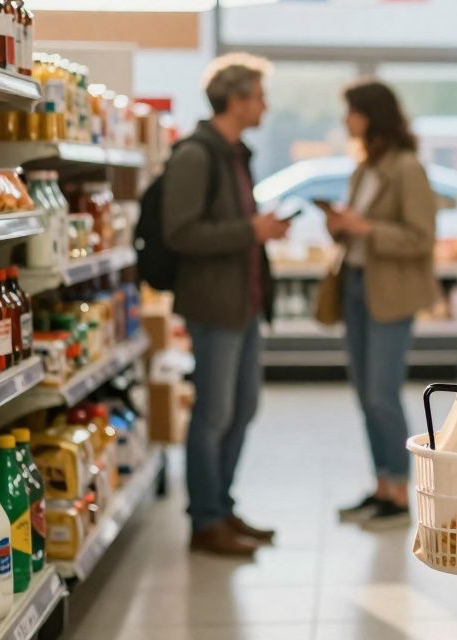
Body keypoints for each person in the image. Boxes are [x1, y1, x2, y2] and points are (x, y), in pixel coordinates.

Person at [162, 53, 290, 557]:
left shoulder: (237, 153)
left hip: (244, 302)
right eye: (259, 95)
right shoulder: (196, 155)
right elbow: (180, 231)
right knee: (213, 414)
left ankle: (222, 505)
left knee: (242, 409)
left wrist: (258, 232)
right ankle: (205, 521)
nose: (265, 104)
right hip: (214, 305)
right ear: (235, 100)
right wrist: (250, 231)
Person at [326, 81, 437, 528]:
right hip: (355, 286)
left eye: (352, 112)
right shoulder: (364, 169)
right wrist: (342, 226)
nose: (346, 120)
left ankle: (400, 495)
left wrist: (366, 228)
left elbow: (419, 238)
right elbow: (361, 227)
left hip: (389, 295)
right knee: (364, 395)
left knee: (381, 394)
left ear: (372, 115)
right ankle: (381, 486)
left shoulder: (406, 168)